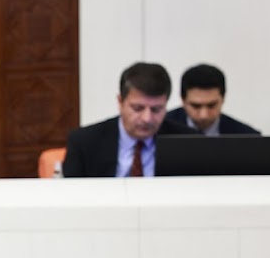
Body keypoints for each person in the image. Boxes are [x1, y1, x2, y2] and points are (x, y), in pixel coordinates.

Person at [62, 62, 192, 177]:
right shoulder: (84, 142)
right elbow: (71, 193)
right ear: (120, 102)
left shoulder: (187, 142)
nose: (147, 119)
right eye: (137, 108)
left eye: (156, 109)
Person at [166, 64, 260, 135]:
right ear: (183, 100)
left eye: (211, 105)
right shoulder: (160, 132)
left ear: (223, 98)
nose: (204, 115)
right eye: (196, 106)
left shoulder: (247, 137)